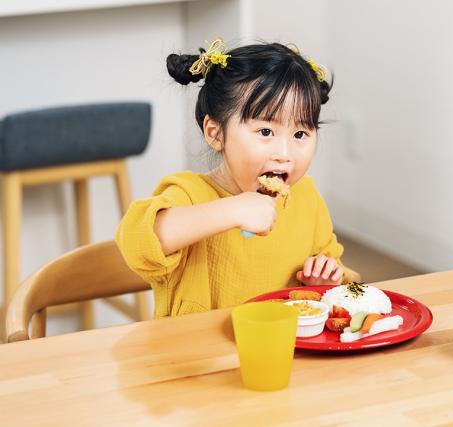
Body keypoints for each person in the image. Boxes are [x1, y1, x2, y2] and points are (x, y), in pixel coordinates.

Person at [116, 37, 359, 318]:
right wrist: (231, 209)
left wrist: (324, 284)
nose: (284, 153)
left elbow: (347, 281)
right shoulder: (190, 194)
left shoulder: (306, 196)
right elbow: (136, 244)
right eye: (266, 132)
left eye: (300, 134)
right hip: (197, 356)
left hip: (283, 352)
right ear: (215, 133)